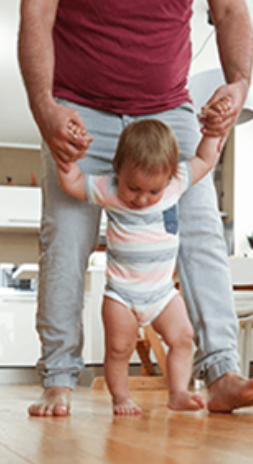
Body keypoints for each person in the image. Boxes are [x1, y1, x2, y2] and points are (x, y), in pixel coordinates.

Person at [18, 0, 253, 417]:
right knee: (64, 241)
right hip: (79, 106)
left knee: (203, 233)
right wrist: (43, 105)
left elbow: (229, 11)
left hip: (168, 109)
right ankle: (58, 380)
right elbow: (36, 14)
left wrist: (240, 83)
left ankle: (222, 372)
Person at [56, 108, 229, 414]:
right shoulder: (108, 188)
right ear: (118, 170)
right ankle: (120, 397)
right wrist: (68, 157)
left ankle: (177, 392)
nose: (142, 199)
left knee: (183, 337)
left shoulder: (175, 184)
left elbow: (204, 160)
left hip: (162, 292)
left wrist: (214, 133)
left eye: (153, 191)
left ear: (169, 177)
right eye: (133, 188)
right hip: (121, 294)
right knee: (119, 349)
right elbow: (72, 184)